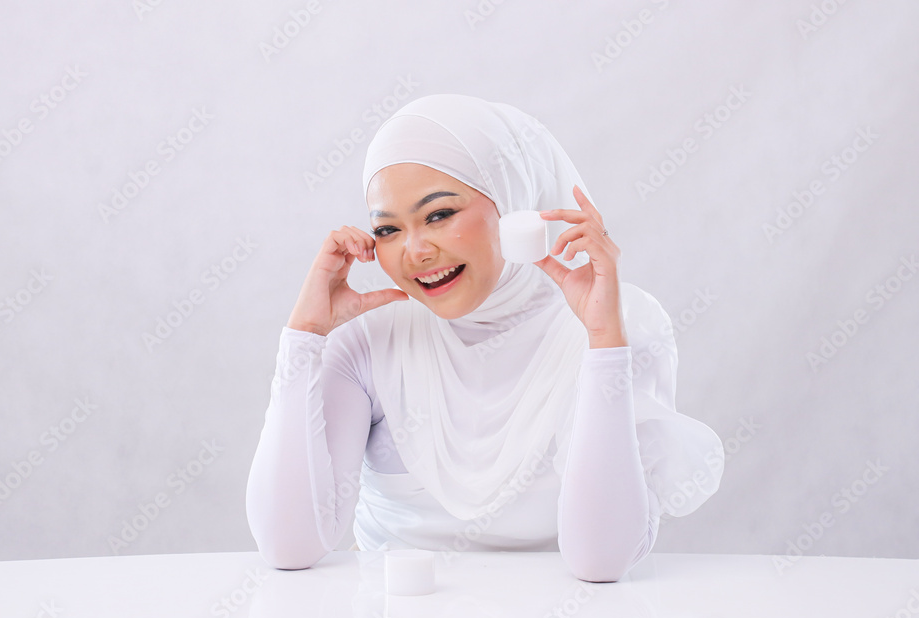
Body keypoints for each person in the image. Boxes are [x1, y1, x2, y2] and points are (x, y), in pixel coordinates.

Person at [246, 93, 723, 582]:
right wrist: (304, 337)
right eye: (387, 230)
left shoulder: (617, 325)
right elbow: (289, 545)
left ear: (515, 206)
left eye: (439, 215)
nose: (415, 251)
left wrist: (603, 341)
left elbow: (601, 560)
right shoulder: (369, 340)